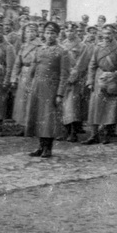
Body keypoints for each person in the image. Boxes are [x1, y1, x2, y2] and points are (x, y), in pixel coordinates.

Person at [25, 21, 70, 158]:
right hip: (38, 86)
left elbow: (64, 74)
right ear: (43, 34)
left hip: (51, 88)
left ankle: (48, 148)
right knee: (38, 116)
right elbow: (32, 68)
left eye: (52, 33)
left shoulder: (62, 51)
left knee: (48, 118)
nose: (49, 36)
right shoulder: (39, 49)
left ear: (57, 35)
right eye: (47, 33)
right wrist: (28, 84)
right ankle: (40, 146)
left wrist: (60, 94)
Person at [83, 24, 117, 145]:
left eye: (109, 33)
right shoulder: (98, 47)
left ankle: (105, 134)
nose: (106, 36)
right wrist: (90, 81)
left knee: (109, 108)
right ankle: (94, 134)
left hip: (112, 78)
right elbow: (92, 65)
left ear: (114, 34)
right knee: (95, 107)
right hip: (98, 79)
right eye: (105, 33)